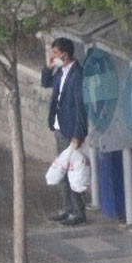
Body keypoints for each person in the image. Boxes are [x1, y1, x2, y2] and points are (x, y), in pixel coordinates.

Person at [41, 37, 88, 226]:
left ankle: (77, 211)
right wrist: (48, 67)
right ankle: (67, 207)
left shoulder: (77, 75)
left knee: (72, 172)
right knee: (63, 170)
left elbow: (80, 107)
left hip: (70, 130)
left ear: (65, 55)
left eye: (55, 53)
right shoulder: (61, 72)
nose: (53, 56)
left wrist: (78, 134)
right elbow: (46, 82)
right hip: (59, 127)